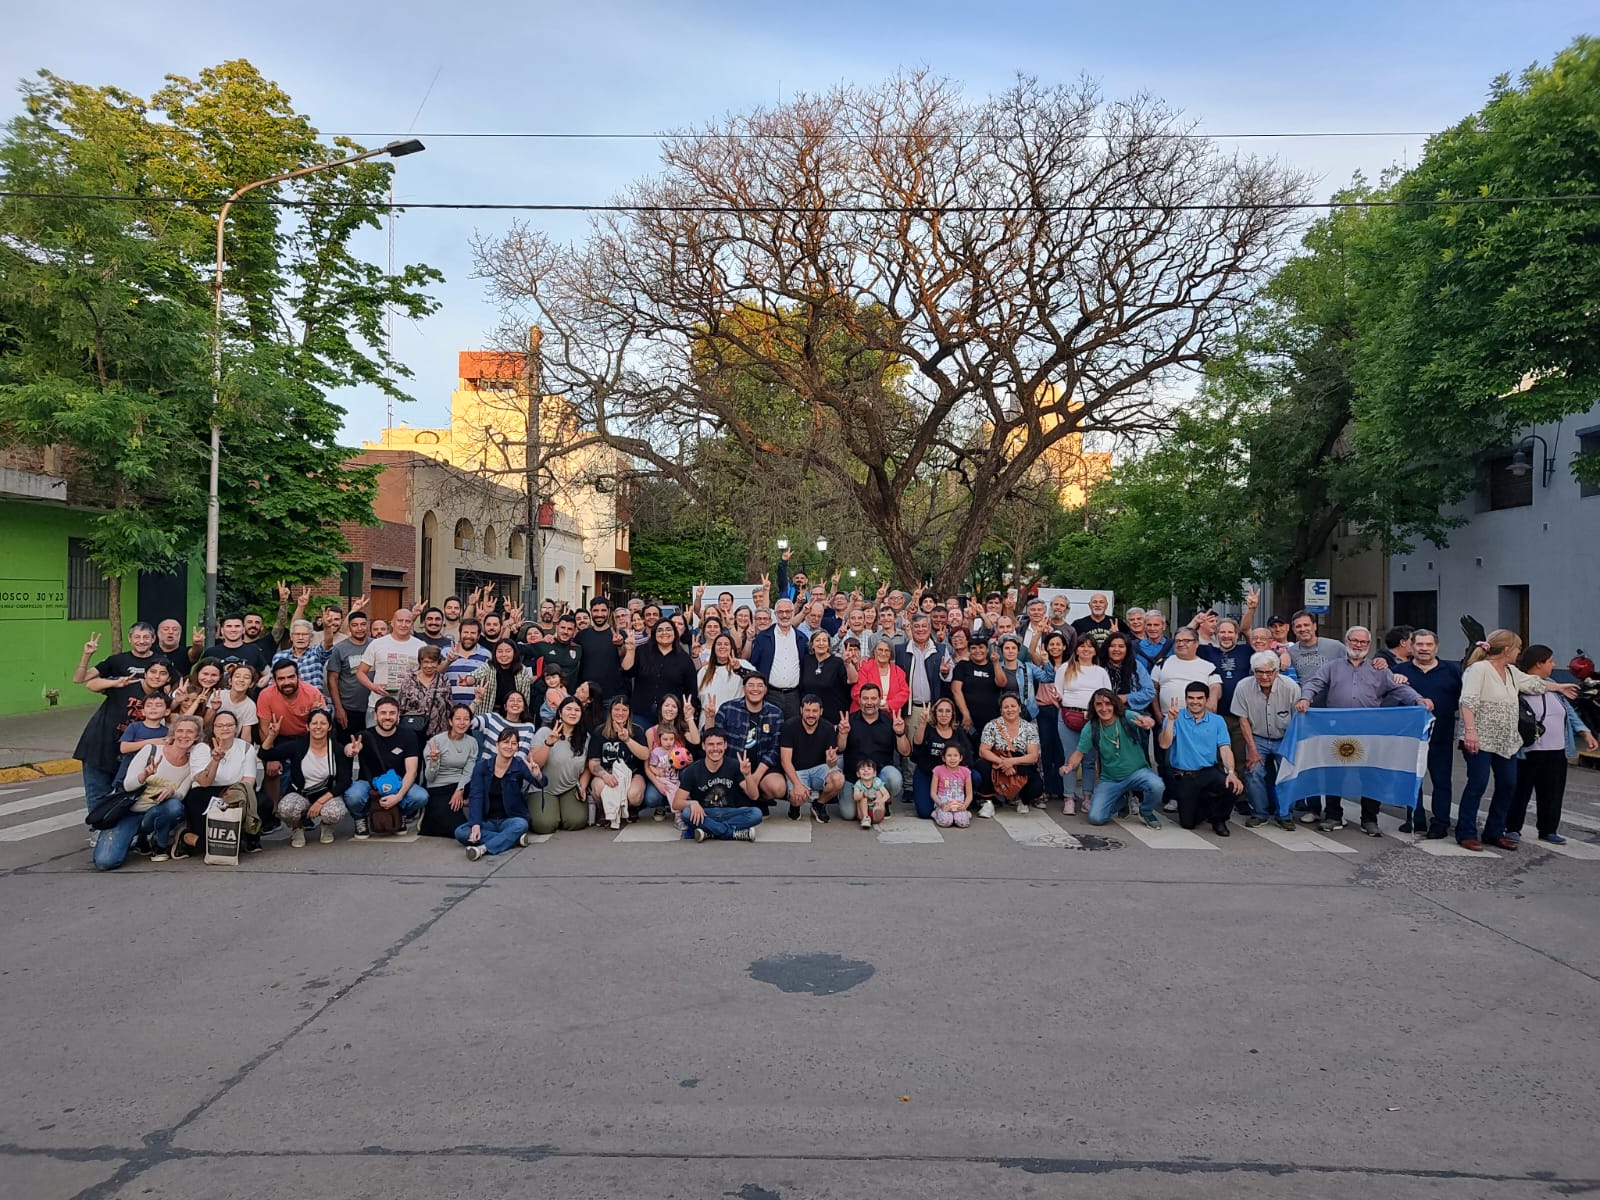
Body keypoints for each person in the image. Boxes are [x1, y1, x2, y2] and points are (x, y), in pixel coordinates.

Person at [1295, 626, 1428, 836]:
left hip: (1369, 731)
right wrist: (1305, 698)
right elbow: (1314, 683)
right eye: (1354, 641)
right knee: (1334, 774)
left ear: (1369, 645)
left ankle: (1369, 819)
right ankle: (1333, 815)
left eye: (1363, 642)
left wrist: (1418, 699)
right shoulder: (1332, 666)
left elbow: (1398, 689)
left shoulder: (1379, 668)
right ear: (1347, 641)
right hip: (1338, 730)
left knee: (1371, 776)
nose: (1358, 645)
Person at [1455, 629, 1577, 852]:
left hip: (1507, 740)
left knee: (1508, 784)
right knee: (1478, 784)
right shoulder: (1479, 669)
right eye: (1518, 648)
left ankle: (1494, 831)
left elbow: (1534, 683)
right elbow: (1467, 701)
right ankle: (1466, 833)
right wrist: (1470, 731)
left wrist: (1559, 687)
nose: (1520, 653)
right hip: (1479, 739)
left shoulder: (1511, 671)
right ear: (1508, 649)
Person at [1507, 644, 1598, 845]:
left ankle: (1548, 829)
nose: (1554, 665)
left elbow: (1568, 710)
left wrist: (1585, 731)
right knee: (1520, 791)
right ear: (1538, 664)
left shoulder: (1553, 684)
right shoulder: (1520, 685)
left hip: (1556, 749)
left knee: (1553, 791)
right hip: (1528, 750)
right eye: (1550, 661)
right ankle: (1512, 828)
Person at [94, 715, 210, 869]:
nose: (184, 735)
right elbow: (128, 786)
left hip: (156, 812)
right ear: (173, 733)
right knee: (105, 862)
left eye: (189, 732)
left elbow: (181, 794)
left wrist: (172, 791)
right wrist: (144, 775)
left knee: (174, 806)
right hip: (130, 811)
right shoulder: (152, 751)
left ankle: (159, 842)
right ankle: (138, 836)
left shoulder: (191, 762)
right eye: (180, 731)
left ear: (196, 737)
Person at [74, 653, 173, 819]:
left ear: (168, 677)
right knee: (97, 793)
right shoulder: (127, 682)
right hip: (100, 744)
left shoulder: (160, 698)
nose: (157, 676)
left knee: (121, 794)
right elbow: (91, 684)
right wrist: (115, 682)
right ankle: (97, 829)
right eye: (153, 671)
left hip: (128, 753)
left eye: (162, 673)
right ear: (146, 673)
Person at [1068, 689, 1164, 829]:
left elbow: (1145, 719)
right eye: (1099, 704)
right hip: (1110, 779)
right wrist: (1069, 766)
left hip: (1137, 773)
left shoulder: (1126, 716)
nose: (1104, 708)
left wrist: (1148, 722)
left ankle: (1146, 812)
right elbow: (1078, 753)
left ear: (1114, 704)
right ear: (1093, 707)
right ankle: (1121, 801)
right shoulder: (1091, 727)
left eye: (1108, 703)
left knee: (1157, 785)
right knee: (1096, 818)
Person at [1399, 629, 1463, 835]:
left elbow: (1464, 701)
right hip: (1411, 738)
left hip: (1441, 736)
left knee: (1442, 782)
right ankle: (1414, 819)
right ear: (1412, 646)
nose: (1424, 649)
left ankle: (1441, 823)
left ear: (1436, 647)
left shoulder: (1452, 671)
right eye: (1420, 645)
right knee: (1412, 780)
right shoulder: (1399, 671)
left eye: (1428, 645)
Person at [1159, 681, 1244, 837]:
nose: (1195, 702)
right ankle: (1205, 806)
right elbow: (1164, 744)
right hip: (1184, 776)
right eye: (1191, 698)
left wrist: (1231, 772)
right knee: (1188, 824)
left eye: (1199, 698)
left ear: (1206, 699)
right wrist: (1170, 721)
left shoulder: (1217, 721)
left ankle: (1219, 819)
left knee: (1233, 785)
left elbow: (1225, 749)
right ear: (1186, 699)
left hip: (1208, 772)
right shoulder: (1174, 717)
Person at [260, 708, 352, 847]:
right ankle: (297, 828)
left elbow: (345, 782)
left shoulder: (338, 750)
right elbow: (265, 754)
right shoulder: (298, 746)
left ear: (330, 727)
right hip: (302, 794)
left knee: (334, 812)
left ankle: (326, 826)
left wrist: (320, 802)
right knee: (285, 808)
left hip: (328, 796)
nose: (319, 727)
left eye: (323, 723)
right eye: (314, 723)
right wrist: (272, 736)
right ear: (307, 727)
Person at [176, 709, 261, 858]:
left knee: (263, 801)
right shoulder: (201, 748)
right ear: (213, 728)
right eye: (220, 725)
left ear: (236, 727)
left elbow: (248, 781)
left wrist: (229, 799)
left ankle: (245, 836)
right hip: (204, 794)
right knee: (208, 845)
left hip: (234, 792)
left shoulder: (246, 748)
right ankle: (186, 837)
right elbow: (204, 782)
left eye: (229, 725)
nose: (225, 729)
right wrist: (215, 761)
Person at [1231, 652, 1301, 831]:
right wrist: (1252, 749)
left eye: (1269, 672)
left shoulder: (1291, 687)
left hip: (1285, 737)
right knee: (1253, 771)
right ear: (1253, 671)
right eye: (1259, 672)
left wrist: (1292, 747)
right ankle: (1260, 813)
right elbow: (1243, 720)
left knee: (1288, 773)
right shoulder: (1243, 687)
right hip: (1257, 736)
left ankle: (1284, 814)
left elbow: (1297, 721)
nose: (1264, 676)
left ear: (1277, 671)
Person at [345, 697, 428, 838]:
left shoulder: (409, 735)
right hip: (369, 783)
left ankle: (400, 814)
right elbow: (350, 748)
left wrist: (398, 797)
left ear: (398, 715)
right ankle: (360, 818)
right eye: (383, 713)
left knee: (421, 796)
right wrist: (351, 750)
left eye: (392, 713)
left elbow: (412, 771)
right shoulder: (364, 736)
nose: (387, 717)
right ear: (375, 715)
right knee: (353, 796)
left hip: (398, 782)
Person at [669, 727, 762, 842]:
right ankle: (732, 833)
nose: (715, 748)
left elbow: (754, 796)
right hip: (704, 813)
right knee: (687, 813)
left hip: (729, 812)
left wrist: (748, 775)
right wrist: (692, 803)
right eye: (711, 744)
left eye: (719, 744)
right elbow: (676, 804)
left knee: (756, 813)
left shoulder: (734, 765)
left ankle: (710, 832)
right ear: (704, 746)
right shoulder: (693, 770)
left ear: (725, 745)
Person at [714, 674, 789, 812]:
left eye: (760, 685)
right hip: (734, 766)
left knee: (778, 787)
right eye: (751, 685)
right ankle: (743, 798)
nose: (755, 689)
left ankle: (760, 800)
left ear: (766, 689)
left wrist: (756, 776)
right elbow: (714, 741)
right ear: (744, 688)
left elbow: (775, 748)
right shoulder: (727, 708)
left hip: (762, 768)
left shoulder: (775, 713)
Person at [458, 727, 536, 860]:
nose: (509, 746)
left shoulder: (519, 765)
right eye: (505, 742)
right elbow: (476, 796)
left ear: (517, 747)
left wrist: (538, 776)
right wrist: (476, 825)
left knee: (521, 825)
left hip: (510, 819)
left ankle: (483, 849)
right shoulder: (482, 766)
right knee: (460, 832)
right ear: (497, 744)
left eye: (513, 743)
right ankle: (513, 839)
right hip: (487, 820)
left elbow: (541, 784)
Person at [1056, 634, 1112, 813]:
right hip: (1068, 717)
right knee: (1071, 758)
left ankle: (1087, 797)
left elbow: (1107, 696)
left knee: (1089, 760)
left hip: (1093, 720)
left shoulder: (1101, 672)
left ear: (1095, 650)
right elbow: (1058, 693)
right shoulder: (1066, 668)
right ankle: (1069, 797)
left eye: (1090, 646)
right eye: (1082, 646)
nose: (1086, 649)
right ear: (1076, 649)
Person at [838, 683, 909, 819]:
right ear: (859, 700)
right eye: (865, 699)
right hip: (854, 777)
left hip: (880, 777)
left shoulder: (890, 723)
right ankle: (866, 803)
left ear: (880, 699)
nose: (869, 703)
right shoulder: (849, 721)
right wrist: (843, 734)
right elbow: (840, 749)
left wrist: (900, 733)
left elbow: (905, 752)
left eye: (873, 698)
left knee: (894, 778)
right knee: (848, 815)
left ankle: (883, 800)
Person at [528, 696, 592, 834]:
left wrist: (583, 786)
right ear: (560, 713)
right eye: (568, 709)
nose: (573, 713)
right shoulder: (545, 732)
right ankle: (550, 813)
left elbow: (587, 766)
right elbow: (535, 764)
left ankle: (560, 812)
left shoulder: (585, 737)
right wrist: (548, 744)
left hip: (570, 787)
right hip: (543, 787)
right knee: (544, 825)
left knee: (576, 821)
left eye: (577, 710)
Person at [587, 696, 651, 827]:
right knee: (600, 787)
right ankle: (604, 810)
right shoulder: (600, 732)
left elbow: (645, 755)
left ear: (629, 712)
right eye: (616, 709)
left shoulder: (637, 730)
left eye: (624, 710)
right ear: (610, 711)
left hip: (632, 774)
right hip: (607, 772)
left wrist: (627, 740)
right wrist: (604, 775)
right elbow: (593, 763)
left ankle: (631, 807)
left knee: (634, 795)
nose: (620, 713)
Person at [779, 694, 843, 823]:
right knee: (798, 796)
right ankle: (794, 806)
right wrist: (797, 784)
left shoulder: (828, 728)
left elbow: (830, 762)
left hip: (818, 769)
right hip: (797, 771)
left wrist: (832, 761)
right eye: (807, 710)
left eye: (815, 711)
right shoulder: (789, 726)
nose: (811, 715)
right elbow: (785, 760)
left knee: (838, 779)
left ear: (821, 712)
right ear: (801, 710)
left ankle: (819, 804)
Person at [910, 697, 976, 820]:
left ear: (953, 714)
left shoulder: (958, 732)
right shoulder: (928, 729)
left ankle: (962, 803)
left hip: (951, 777)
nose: (944, 714)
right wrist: (923, 723)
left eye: (947, 711)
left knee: (975, 777)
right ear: (935, 713)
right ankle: (940, 806)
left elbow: (968, 755)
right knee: (924, 812)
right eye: (940, 711)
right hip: (927, 774)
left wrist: (958, 772)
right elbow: (917, 746)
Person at [421, 704, 479, 838]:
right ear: (450, 721)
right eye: (458, 718)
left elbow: (468, 770)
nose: (462, 722)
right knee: (455, 828)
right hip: (439, 786)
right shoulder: (436, 742)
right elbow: (429, 778)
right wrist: (434, 762)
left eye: (466, 719)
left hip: (461, 785)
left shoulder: (472, 742)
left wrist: (460, 790)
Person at [978, 693, 1043, 814]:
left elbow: (1033, 756)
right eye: (1006, 707)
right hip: (997, 764)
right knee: (982, 765)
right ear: (1001, 710)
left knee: (1037, 785)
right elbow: (983, 751)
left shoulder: (1029, 728)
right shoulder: (992, 725)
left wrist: (1011, 762)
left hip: (1019, 763)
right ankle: (988, 802)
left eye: (1013, 706)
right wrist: (1003, 762)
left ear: (1019, 708)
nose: (1010, 709)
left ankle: (1023, 800)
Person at [356, 608, 423, 718]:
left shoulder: (420, 646)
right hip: (378, 705)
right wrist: (373, 687)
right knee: (374, 735)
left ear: (412, 624)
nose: (403, 624)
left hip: (408, 707)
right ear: (392, 623)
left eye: (408, 621)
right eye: (400, 621)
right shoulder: (377, 644)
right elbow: (360, 673)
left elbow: (427, 673)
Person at [629, 620, 698, 725]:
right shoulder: (641, 652)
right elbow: (628, 672)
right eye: (660, 630)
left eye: (668, 629)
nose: (664, 633)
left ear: (675, 634)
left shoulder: (684, 659)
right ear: (654, 634)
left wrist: (689, 712)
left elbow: (691, 690)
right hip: (641, 713)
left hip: (670, 716)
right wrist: (630, 650)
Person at [750, 597, 806, 723]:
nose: (784, 615)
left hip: (794, 695)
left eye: (788, 612)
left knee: (792, 730)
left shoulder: (802, 639)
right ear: (775, 614)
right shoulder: (763, 638)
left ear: (793, 613)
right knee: (768, 730)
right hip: (770, 694)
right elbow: (754, 665)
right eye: (780, 612)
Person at [575, 598, 635, 703]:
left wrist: (620, 645)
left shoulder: (620, 634)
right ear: (591, 611)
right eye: (596, 610)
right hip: (588, 697)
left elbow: (624, 658)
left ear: (609, 611)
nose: (599, 614)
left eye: (603, 610)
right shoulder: (582, 635)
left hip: (613, 696)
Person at [325, 610, 371, 736]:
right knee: (348, 748)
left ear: (367, 625)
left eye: (363, 624)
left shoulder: (375, 645)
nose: (359, 628)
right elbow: (332, 680)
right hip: (349, 708)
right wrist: (339, 709)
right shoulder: (339, 649)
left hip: (373, 707)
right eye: (355, 625)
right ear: (349, 627)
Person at [951, 637, 1004, 736]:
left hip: (992, 720)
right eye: (974, 648)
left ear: (987, 650)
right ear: (969, 650)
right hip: (968, 720)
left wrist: (996, 663)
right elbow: (956, 690)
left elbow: (1002, 683)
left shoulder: (993, 667)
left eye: (981, 647)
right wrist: (965, 714)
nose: (978, 651)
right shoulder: (962, 666)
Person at [469, 639, 535, 717]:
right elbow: (475, 675)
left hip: (513, 713)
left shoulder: (522, 670)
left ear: (514, 653)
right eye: (500, 651)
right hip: (489, 713)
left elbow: (525, 698)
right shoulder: (488, 666)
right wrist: (467, 680)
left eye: (508, 651)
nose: (503, 655)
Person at [397, 644, 452, 738]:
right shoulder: (409, 680)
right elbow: (401, 707)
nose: (429, 666)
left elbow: (449, 707)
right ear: (420, 662)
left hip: (438, 733)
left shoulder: (444, 680)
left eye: (433, 662)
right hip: (413, 731)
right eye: (426, 662)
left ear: (438, 662)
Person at [806, 631, 855, 725]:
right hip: (811, 717)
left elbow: (852, 680)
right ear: (812, 645)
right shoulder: (806, 660)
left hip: (833, 718)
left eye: (824, 640)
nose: (821, 643)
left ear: (829, 645)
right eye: (817, 640)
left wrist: (848, 664)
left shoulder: (838, 662)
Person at [852, 639, 910, 715]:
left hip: (889, 715)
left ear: (891, 654)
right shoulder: (864, 668)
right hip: (864, 714)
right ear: (874, 652)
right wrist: (874, 704)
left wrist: (890, 705)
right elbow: (856, 692)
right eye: (880, 650)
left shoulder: (898, 671)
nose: (883, 653)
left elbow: (905, 692)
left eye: (887, 651)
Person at [442, 618, 490, 710]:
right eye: (465, 632)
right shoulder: (445, 651)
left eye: (473, 633)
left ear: (478, 636)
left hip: (477, 711)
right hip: (448, 710)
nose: (468, 636)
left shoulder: (486, 655)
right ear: (460, 634)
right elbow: (435, 673)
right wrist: (448, 661)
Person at [930, 742, 975, 828]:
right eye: (949, 755)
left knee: (963, 823)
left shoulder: (966, 772)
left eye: (955, 755)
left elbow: (969, 794)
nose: (952, 759)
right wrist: (941, 805)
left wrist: (965, 805)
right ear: (943, 758)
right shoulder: (938, 770)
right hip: (944, 804)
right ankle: (936, 814)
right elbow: (933, 793)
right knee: (946, 822)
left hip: (959, 804)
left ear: (960, 758)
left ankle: (965, 814)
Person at [849, 758, 892, 829]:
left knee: (878, 792)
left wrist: (880, 801)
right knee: (863, 798)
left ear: (874, 773)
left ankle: (878, 811)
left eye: (869, 769)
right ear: (858, 774)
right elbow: (855, 797)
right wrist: (862, 794)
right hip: (863, 811)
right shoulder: (858, 784)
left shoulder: (877, 781)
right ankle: (866, 818)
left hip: (875, 806)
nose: (866, 770)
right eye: (862, 769)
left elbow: (887, 795)